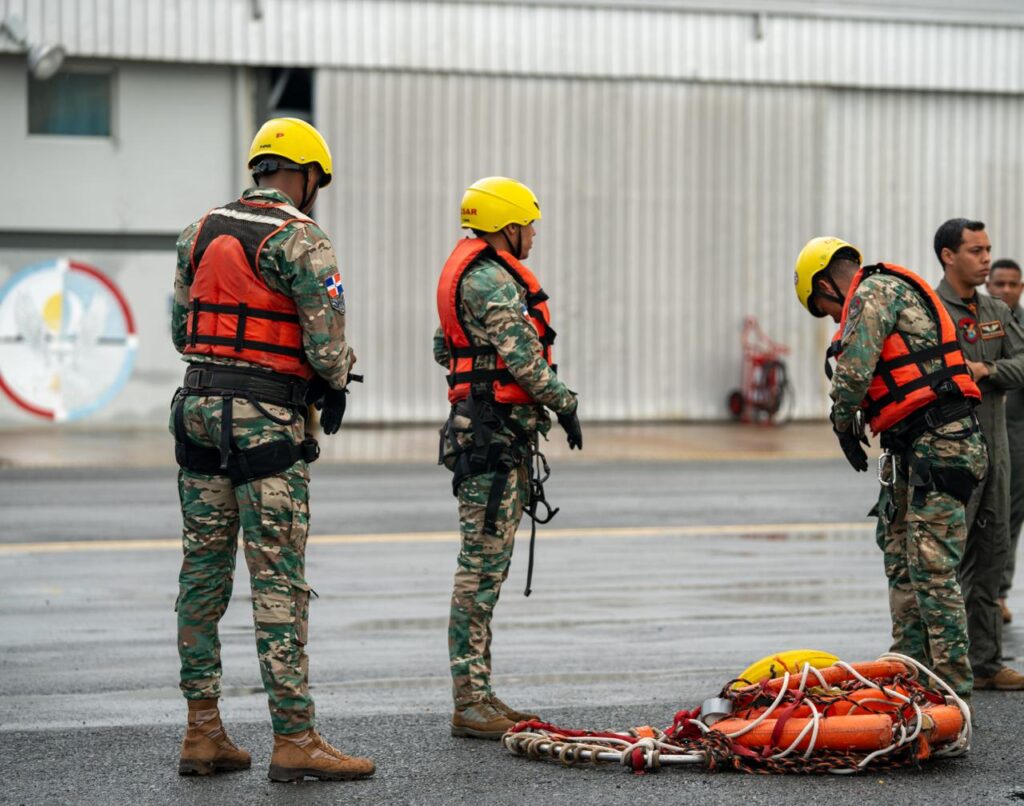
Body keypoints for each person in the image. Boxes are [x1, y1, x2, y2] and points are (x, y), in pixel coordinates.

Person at [170, 117, 374, 781]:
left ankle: (203, 732)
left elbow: (182, 330)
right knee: (278, 579)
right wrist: (337, 377)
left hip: (196, 411)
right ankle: (295, 740)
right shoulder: (302, 239)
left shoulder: (198, 231)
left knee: (202, 577)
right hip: (264, 422)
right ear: (307, 176)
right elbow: (325, 348)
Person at [793, 236, 986, 702]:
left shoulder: (873, 291)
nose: (834, 319)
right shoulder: (877, 292)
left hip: (943, 442)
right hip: (911, 446)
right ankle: (910, 675)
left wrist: (842, 422)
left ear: (826, 284)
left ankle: (955, 694)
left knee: (931, 569)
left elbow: (855, 369)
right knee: (900, 560)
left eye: (824, 308)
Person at [434, 176, 582, 739]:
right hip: (493, 438)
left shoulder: (471, 277)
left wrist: (475, 377)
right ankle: (470, 702)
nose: (535, 235)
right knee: (479, 570)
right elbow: (524, 359)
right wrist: (565, 403)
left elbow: (442, 345)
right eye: (530, 225)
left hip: (491, 430)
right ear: (508, 225)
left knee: (485, 570)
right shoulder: (493, 279)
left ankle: (480, 696)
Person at [934, 220, 1024, 690]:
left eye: (988, 249)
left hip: (997, 449)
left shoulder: (995, 308)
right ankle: (942, 664)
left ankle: (987, 663)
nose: (986, 258)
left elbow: (1022, 363)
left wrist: (986, 368)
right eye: (975, 250)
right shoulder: (931, 310)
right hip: (950, 452)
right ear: (949, 256)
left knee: (992, 555)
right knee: (945, 560)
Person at [986, 258, 1024, 624]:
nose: (1006, 290)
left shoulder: (1019, 330)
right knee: (992, 522)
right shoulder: (981, 323)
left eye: (1013, 284)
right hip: (991, 439)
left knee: (1009, 521)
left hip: (1019, 441)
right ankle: (987, 594)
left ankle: (998, 593)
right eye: (1000, 284)